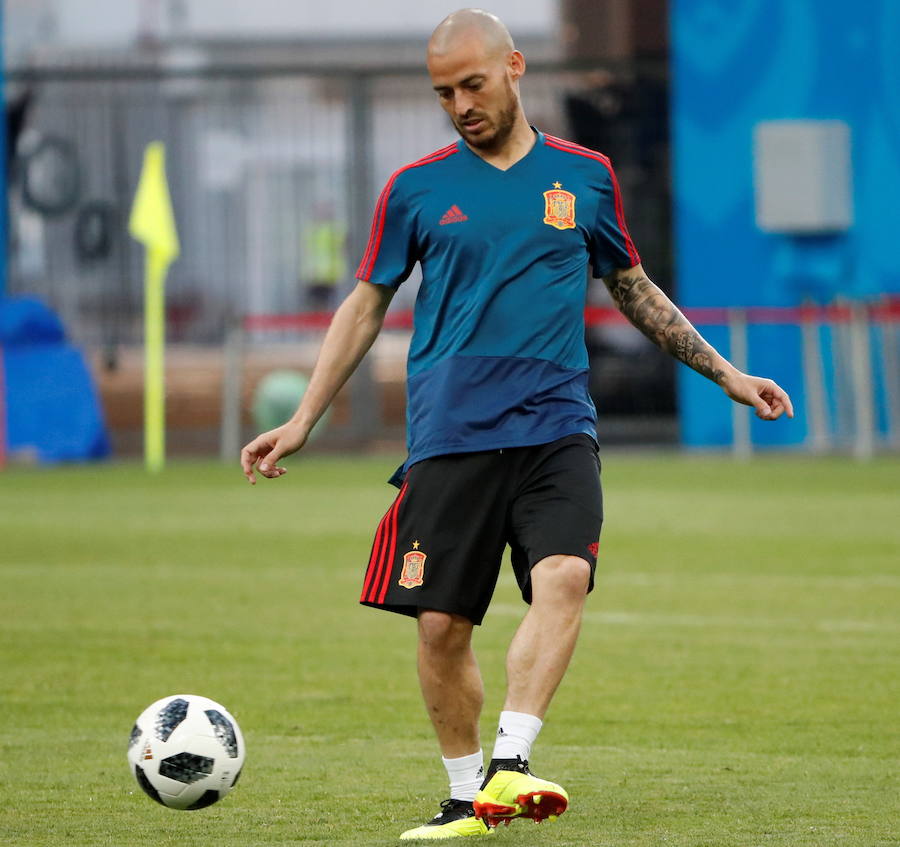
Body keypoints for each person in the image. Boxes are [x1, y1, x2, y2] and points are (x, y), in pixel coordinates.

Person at [240, 8, 793, 840]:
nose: (459, 104)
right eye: (443, 93)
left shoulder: (587, 177)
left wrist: (727, 374)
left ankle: (511, 762)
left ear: (514, 68)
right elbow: (365, 304)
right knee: (440, 627)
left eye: (472, 84)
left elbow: (634, 288)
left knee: (564, 576)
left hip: (556, 424)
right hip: (451, 433)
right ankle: (465, 796)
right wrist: (304, 418)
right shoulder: (416, 188)